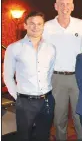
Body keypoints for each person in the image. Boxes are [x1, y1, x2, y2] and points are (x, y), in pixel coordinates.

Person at [43, 0, 82, 140]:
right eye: (61, 4)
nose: (65, 7)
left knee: (80, 116)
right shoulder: (46, 26)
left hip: (78, 77)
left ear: (73, 6)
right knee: (59, 118)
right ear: (55, 6)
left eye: (68, 4)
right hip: (56, 78)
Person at [3, 11, 56, 141]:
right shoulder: (14, 47)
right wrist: (18, 97)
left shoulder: (51, 48)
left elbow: (50, 72)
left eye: (39, 24)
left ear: (43, 26)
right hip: (25, 101)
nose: (35, 27)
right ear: (25, 25)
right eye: (32, 23)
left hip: (47, 100)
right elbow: (8, 76)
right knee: (24, 136)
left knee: (43, 135)